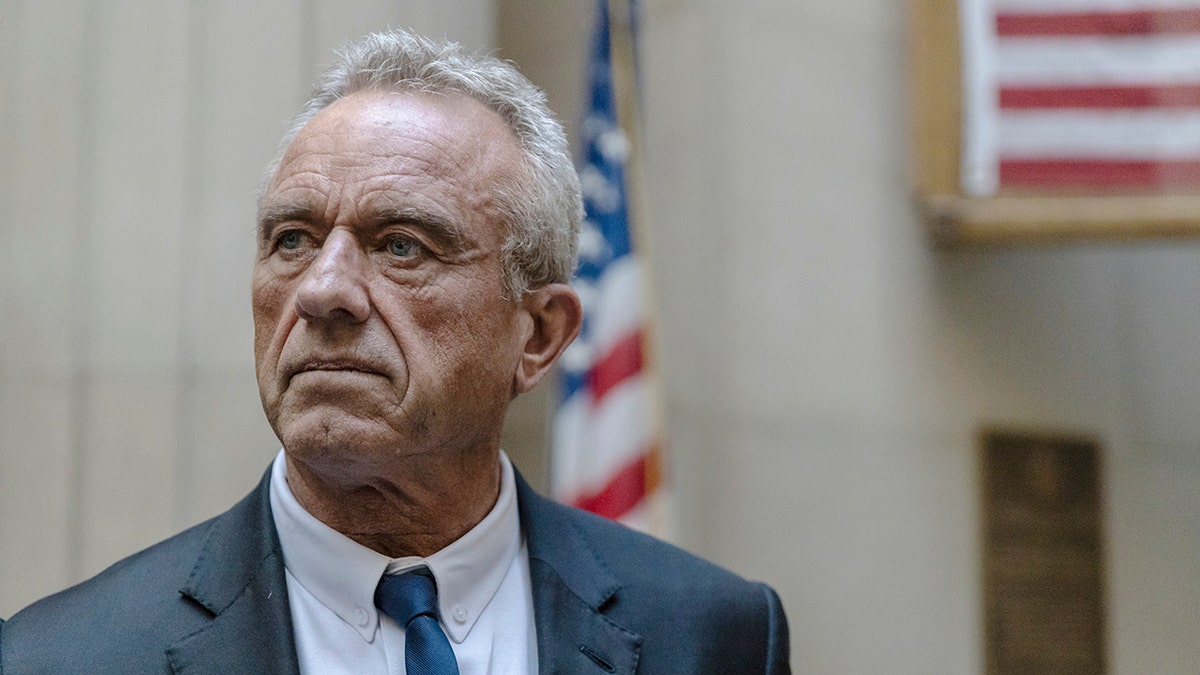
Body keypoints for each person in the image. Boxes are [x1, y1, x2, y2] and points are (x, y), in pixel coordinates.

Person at [0, 29, 789, 674]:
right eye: (293, 239)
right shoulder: (58, 657)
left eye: (402, 245)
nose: (323, 290)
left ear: (540, 335)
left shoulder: (716, 637)